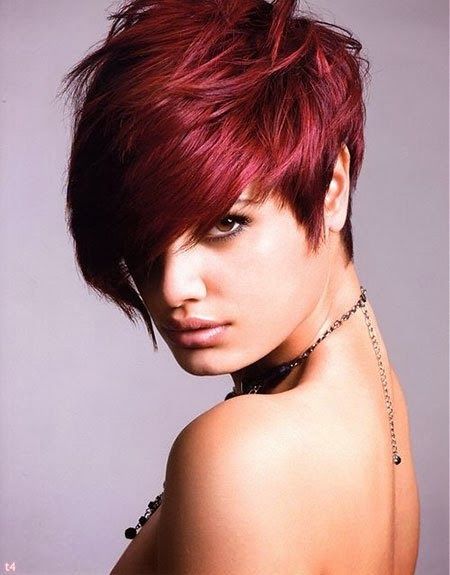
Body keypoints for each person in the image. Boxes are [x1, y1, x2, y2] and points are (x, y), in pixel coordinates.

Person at [61, 0, 420, 573]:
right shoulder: (372, 401)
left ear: (330, 189)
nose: (173, 286)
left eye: (226, 224)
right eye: (144, 239)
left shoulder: (244, 452)